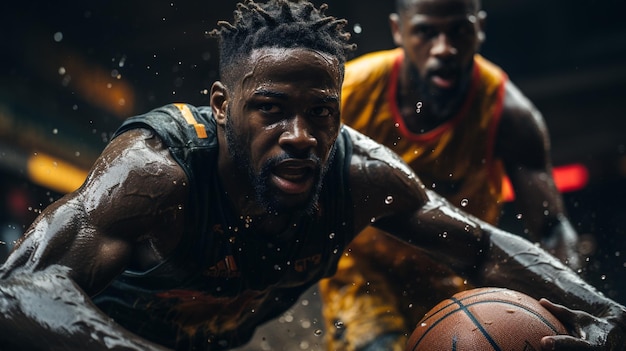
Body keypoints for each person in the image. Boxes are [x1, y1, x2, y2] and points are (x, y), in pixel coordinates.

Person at [0, 1, 623, 350]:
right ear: (222, 106)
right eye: (271, 109)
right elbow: (19, 289)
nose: (300, 137)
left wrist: (605, 317)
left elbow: (483, 247)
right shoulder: (155, 171)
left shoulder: (359, 174)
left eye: (321, 113)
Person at [318, 0, 586, 349]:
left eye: (459, 30)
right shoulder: (348, 92)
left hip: (455, 273)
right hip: (363, 274)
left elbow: (552, 228)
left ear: (480, 28)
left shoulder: (509, 113)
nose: (444, 48)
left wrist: (572, 298)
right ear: (399, 31)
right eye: (427, 32)